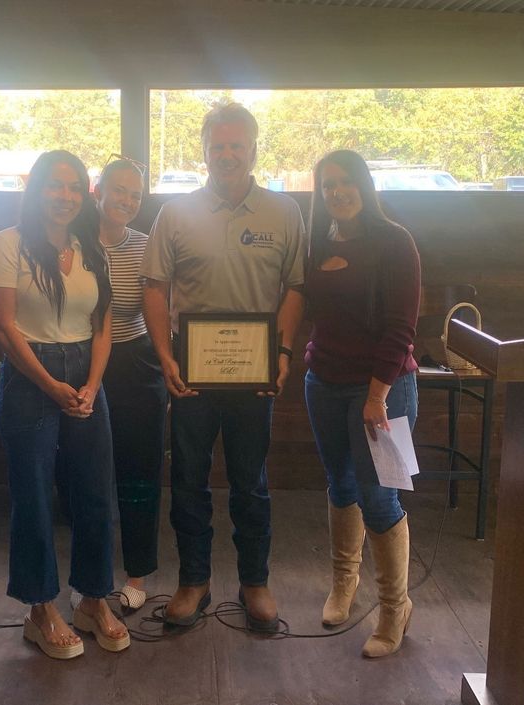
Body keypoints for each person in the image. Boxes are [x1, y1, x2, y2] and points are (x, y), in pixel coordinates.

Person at [141, 102, 307, 632]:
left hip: (254, 377)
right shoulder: (176, 213)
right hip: (191, 375)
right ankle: (194, 581)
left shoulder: (284, 213)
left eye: (238, 145)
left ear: (254, 148)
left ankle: (254, 582)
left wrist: (281, 355)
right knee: (188, 479)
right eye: (219, 145)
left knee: (250, 483)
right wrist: (166, 356)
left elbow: (295, 288)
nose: (228, 154)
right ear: (205, 150)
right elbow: (155, 289)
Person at [0, 150, 130, 659]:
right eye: (55, 185)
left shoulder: (92, 247)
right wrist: (50, 384)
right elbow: (3, 327)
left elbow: (103, 324)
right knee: (34, 498)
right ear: (37, 188)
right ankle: (40, 609)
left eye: (74, 187)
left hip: (86, 376)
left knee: (94, 493)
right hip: (30, 378)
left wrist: (91, 384)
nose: (65, 196)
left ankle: (92, 599)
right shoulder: (9, 243)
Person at [303, 149, 421, 658]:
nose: (337, 192)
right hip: (322, 382)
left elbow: (401, 327)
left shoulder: (395, 242)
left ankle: (395, 607)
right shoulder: (316, 240)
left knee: (380, 498)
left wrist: (377, 394)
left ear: (364, 185)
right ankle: (343, 583)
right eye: (327, 184)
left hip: (383, 389)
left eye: (346, 182)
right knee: (340, 484)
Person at [94, 157, 168, 610]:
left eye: (135, 195)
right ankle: (93, 576)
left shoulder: (146, 246)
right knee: (91, 475)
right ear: (97, 190)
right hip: (82, 364)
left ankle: (136, 576)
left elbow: (163, 314)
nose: (125, 200)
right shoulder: (75, 243)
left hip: (137, 365)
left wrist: (170, 367)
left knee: (141, 473)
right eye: (118, 190)